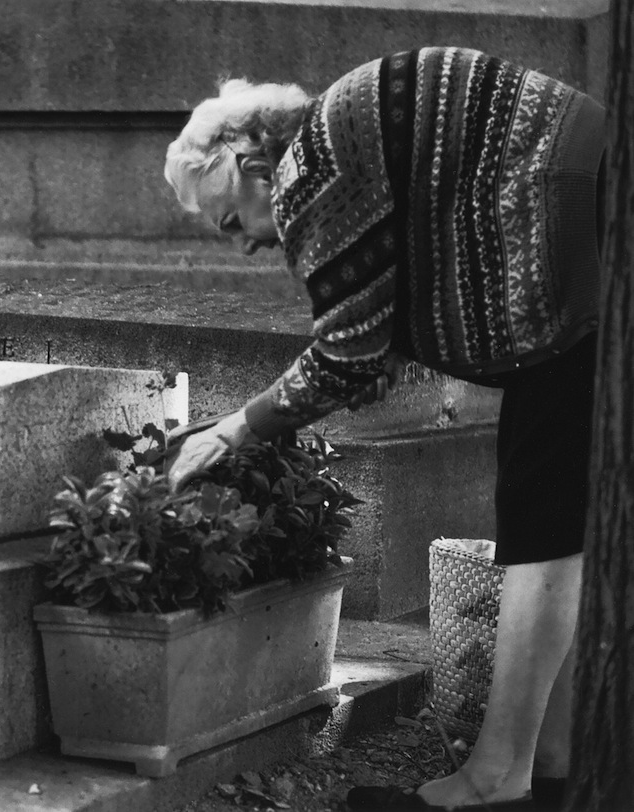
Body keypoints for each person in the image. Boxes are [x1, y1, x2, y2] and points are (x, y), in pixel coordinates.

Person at [163, 47, 605, 812]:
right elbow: (380, 335)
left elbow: (346, 352)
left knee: (540, 525)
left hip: (562, 237)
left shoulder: (309, 173)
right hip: (582, 212)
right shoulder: (341, 149)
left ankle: (495, 777)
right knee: (555, 525)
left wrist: (235, 428)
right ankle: (552, 762)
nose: (241, 243)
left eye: (230, 219)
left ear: (246, 160)